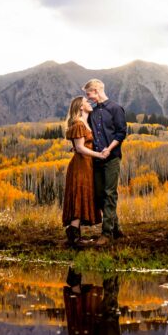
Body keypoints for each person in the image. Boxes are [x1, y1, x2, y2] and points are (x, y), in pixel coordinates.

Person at [83, 79, 128, 247]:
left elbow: (121, 133)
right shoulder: (93, 113)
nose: (88, 98)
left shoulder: (116, 109)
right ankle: (116, 229)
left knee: (110, 193)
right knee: (100, 195)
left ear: (96, 90)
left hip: (112, 157)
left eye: (88, 94)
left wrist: (109, 149)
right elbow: (88, 134)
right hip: (96, 159)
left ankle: (107, 233)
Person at [62, 96, 109, 247]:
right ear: (81, 107)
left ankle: (74, 234)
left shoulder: (85, 123)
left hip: (87, 165)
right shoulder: (78, 124)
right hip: (80, 165)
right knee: (79, 194)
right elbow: (81, 148)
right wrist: (99, 155)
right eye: (86, 102)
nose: (90, 103)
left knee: (83, 195)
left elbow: (80, 145)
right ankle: (73, 236)